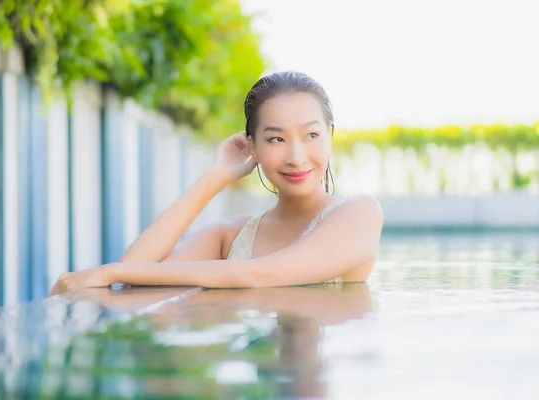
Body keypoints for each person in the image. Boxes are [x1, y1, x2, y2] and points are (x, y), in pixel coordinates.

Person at [48, 71, 384, 296]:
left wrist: (106, 272)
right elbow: (135, 277)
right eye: (276, 139)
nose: (296, 156)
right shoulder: (233, 236)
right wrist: (214, 178)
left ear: (330, 137)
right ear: (252, 145)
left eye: (311, 135)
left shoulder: (359, 214)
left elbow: (259, 275)